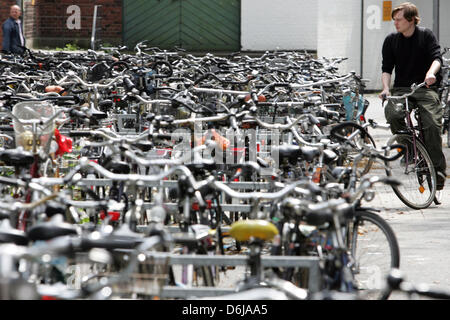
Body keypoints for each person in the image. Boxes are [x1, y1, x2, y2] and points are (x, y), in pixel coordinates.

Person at [379, 2, 446, 203]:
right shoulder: (391, 40)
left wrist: (430, 74)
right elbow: (386, 68)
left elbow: (437, 59)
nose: (395, 23)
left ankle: (438, 170)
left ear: (411, 20)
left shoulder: (426, 35)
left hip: (424, 87)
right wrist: (385, 88)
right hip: (401, 89)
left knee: (432, 124)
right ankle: (408, 150)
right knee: (393, 114)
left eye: (399, 19)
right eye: (394, 19)